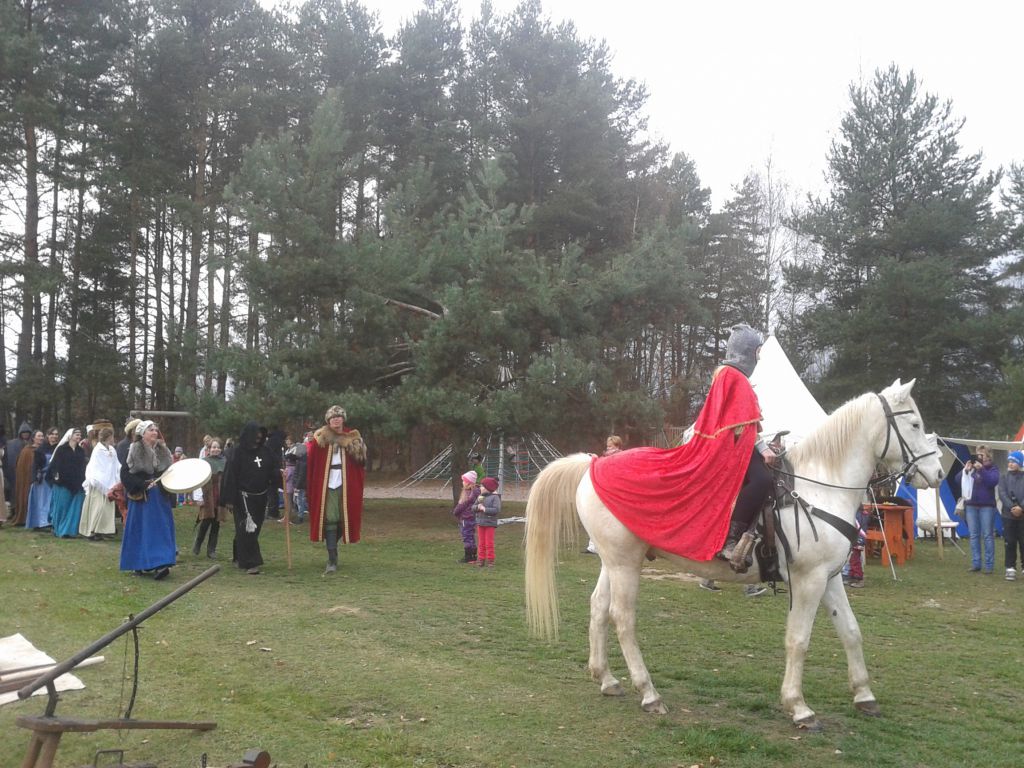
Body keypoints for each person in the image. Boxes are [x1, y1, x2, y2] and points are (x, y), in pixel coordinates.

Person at [306, 406, 366, 574]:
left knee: (344, 518)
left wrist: (355, 447)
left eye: (339, 417)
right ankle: (332, 558)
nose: (336, 419)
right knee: (330, 518)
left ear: (343, 419)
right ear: (328, 420)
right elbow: (312, 463)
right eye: (333, 417)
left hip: (347, 483)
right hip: (326, 483)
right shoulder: (320, 438)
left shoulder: (352, 437)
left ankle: (332, 544)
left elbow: (361, 462)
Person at [119, 420, 176, 580]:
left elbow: (169, 472)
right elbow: (125, 475)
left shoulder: (162, 450)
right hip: (143, 499)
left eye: (156, 430)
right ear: (142, 433)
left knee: (161, 529)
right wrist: (142, 484)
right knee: (143, 531)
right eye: (151, 430)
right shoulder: (134, 449)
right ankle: (139, 563)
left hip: (160, 498)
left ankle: (161, 563)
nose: (155, 432)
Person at [221, 421, 278, 574]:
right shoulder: (237, 452)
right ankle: (251, 563)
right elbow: (230, 476)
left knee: (253, 529)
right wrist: (229, 499)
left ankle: (238, 556)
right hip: (243, 497)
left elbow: (273, 469)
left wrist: (279, 474)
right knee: (247, 530)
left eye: (260, 434)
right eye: (256, 434)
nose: (259, 437)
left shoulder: (266, 451)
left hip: (261, 496)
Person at [962, 446, 999, 574]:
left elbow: (992, 482)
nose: (979, 457)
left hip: (986, 506)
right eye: (977, 454)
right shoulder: (972, 468)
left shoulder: (993, 469)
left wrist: (982, 470)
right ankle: (976, 563)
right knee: (973, 535)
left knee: (987, 535)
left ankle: (989, 565)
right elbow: (958, 480)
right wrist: (965, 470)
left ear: (988, 456)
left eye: (981, 455)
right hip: (971, 505)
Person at [79, 426, 121, 540]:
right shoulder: (98, 450)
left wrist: (119, 475)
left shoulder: (112, 450)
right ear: (108, 437)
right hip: (98, 483)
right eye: (112, 436)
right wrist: (99, 480)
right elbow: (96, 466)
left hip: (110, 482)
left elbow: (116, 464)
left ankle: (103, 530)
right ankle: (92, 530)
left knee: (107, 509)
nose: (113, 438)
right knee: (97, 507)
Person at [48, 428, 87, 538]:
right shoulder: (61, 450)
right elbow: (55, 466)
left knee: (74, 508)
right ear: (70, 436)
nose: (79, 436)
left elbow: (82, 466)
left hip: (78, 483)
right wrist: (58, 479)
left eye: (80, 434)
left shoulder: (80, 451)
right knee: (62, 507)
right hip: (63, 483)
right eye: (76, 434)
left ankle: (69, 531)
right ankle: (59, 529)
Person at [192, 437, 227, 558]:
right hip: (207, 495)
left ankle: (211, 550)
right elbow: (197, 480)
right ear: (209, 449)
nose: (215, 449)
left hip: (219, 495)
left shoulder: (224, 462)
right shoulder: (203, 462)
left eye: (218, 447)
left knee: (216, 524)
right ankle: (198, 544)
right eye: (213, 447)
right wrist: (198, 497)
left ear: (221, 449)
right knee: (206, 522)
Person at [997, 451, 1024, 581]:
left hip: (1022, 516)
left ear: (1020, 463)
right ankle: (1010, 568)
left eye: (1013, 461)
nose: (1011, 464)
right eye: (1009, 461)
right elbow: (1002, 493)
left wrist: (1021, 508)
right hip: (1008, 516)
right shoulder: (1004, 477)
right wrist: (1012, 507)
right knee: (1010, 542)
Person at [25, 430, 57, 529]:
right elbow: (35, 464)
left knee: (51, 500)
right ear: (48, 435)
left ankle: (49, 521)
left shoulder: (58, 448)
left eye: (56, 434)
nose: (54, 436)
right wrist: (34, 477)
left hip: (53, 478)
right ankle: (40, 522)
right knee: (41, 501)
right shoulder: (41, 449)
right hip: (42, 479)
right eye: (52, 434)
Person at [114, 418, 140, 523]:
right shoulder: (123, 445)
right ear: (132, 431)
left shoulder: (141, 444)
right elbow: (121, 464)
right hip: (128, 480)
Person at [453, 470, 481, 564]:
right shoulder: (476, 492)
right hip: (473, 518)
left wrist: (455, 512)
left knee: (466, 537)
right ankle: (473, 556)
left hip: (466, 519)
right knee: (471, 536)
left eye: (464, 481)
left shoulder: (467, 494)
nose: (462, 482)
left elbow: (461, 506)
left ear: (469, 482)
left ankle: (468, 557)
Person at [5, 421, 33, 513]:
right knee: (16, 492)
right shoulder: (12, 444)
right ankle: (14, 509)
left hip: (29, 472)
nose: (25, 434)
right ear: (20, 433)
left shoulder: (33, 443)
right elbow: (10, 458)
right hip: (15, 472)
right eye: (23, 432)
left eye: (27, 432)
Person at [474, 476, 501, 567]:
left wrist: (485, 509)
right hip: (480, 523)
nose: (480, 488)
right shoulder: (480, 497)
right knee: (481, 543)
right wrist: (477, 507)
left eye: (482, 486)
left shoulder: (495, 497)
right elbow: (473, 507)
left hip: (490, 524)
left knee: (489, 543)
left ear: (487, 488)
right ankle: (481, 559)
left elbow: (496, 510)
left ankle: (490, 560)